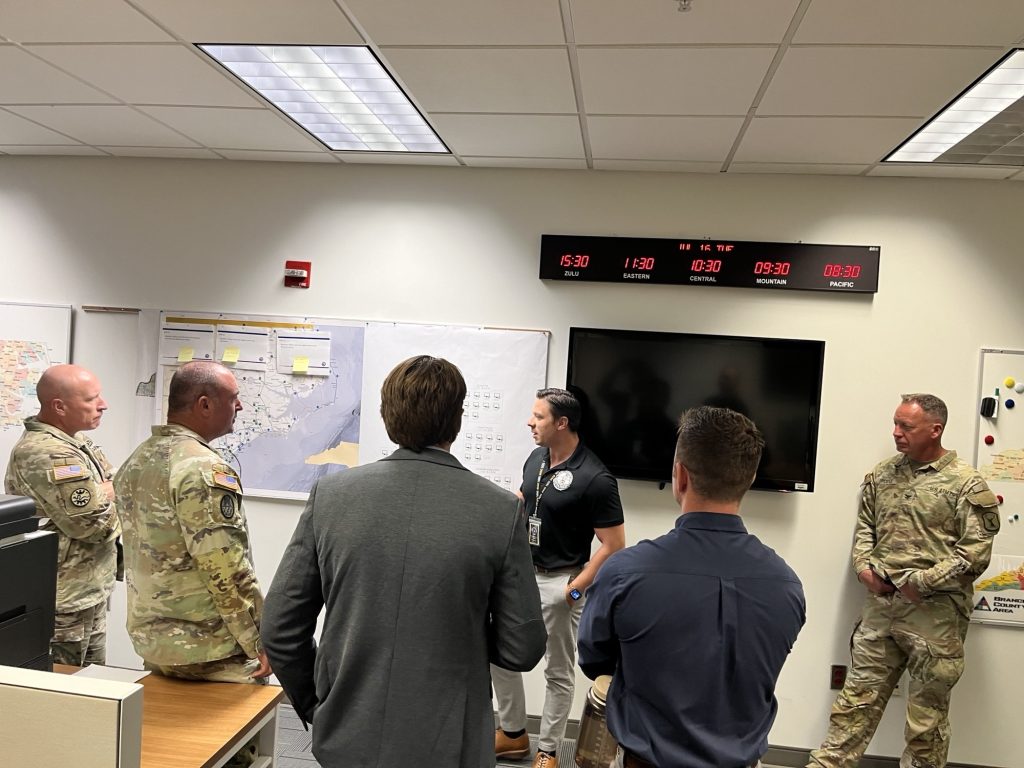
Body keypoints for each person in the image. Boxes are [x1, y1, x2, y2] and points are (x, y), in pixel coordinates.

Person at [260, 355, 546, 768]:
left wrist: (317, 707)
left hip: (346, 734)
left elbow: (280, 627)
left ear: (385, 414)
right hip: (452, 743)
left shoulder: (332, 497)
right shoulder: (499, 511)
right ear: (459, 419)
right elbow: (522, 649)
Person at [578, 406, 805, 768]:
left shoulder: (625, 573)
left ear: (680, 476)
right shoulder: (786, 585)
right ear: (747, 479)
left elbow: (594, 659)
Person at [807, 394, 1000, 768]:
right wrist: (863, 567)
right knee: (853, 705)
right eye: (895, 424)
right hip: (880, 612)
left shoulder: (966, 483)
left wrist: (922, 583)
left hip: (935, 620)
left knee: (925, 723)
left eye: (906, 426)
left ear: (935, 429)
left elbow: (974, 553)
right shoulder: (882, 475)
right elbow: (865, 528)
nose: (896, 433)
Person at [492, 387, 626, 768]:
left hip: (562, 582)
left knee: (558, 671)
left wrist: (574, 590)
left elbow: (614, 543)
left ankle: (548, 750)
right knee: (499, 654)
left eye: (538, 417)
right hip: (521, 576)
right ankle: (514, 734)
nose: (530, 422)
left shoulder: (595, 477)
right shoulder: (537, 458)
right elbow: (522, 502)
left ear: (561, 423)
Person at [114, 361, 269, 684]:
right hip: (212, 651)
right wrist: (262, 641)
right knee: (238, 735)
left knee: (162, 732)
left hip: (158, 647)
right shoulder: (202, 468)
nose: (239, 406)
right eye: (233, 397)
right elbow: (225, 567)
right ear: (205, 404)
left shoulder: (139, 458)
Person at [5, 364, 120, 666]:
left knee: (95, 689)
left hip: (88, 591)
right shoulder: (47, 452)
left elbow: (118, 481)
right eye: (92, 399)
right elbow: (94, 525)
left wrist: (108, 491)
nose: (103, 404)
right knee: (64, 695)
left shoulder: (74, 442)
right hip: (64, 600)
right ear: (59, 406)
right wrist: (111, 492)